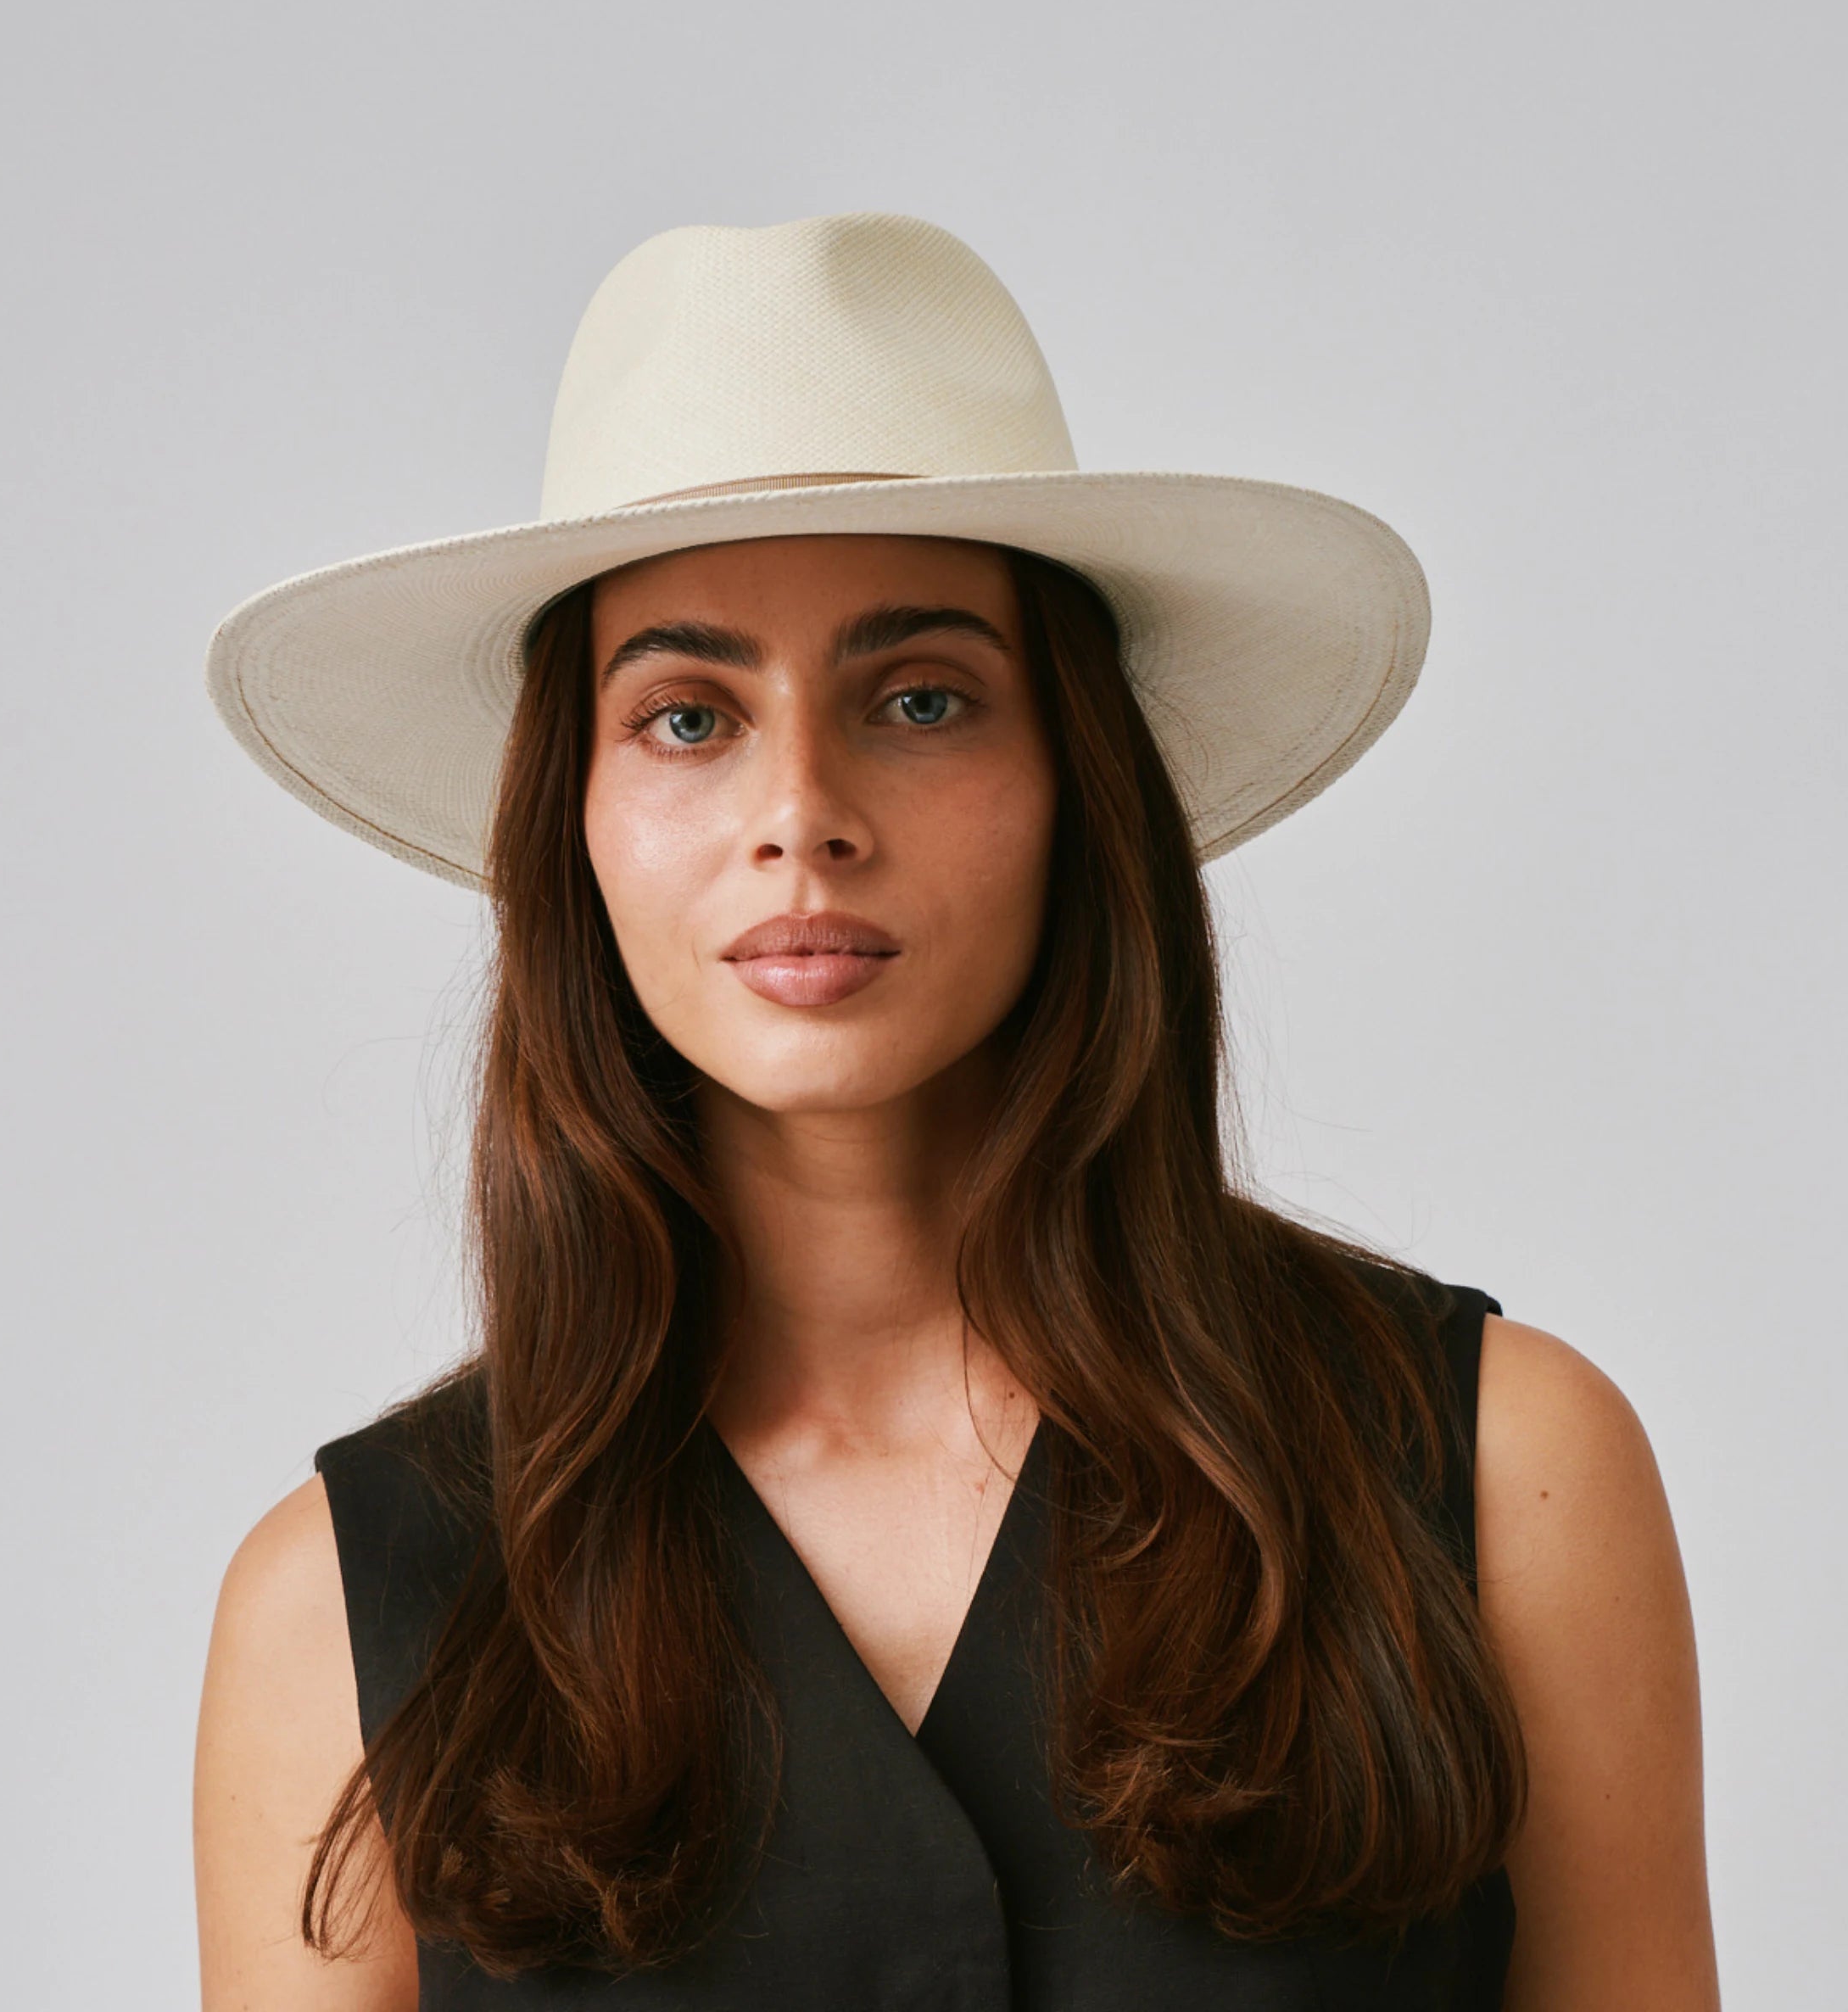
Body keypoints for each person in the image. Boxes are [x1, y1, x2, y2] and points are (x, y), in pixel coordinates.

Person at [192, 214, 1717, 2010]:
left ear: (1078, 778)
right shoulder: (350, 1616)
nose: (804, 813)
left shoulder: (1498, 1477)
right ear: (571, 820)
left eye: (920, 698)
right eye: (688, 718)